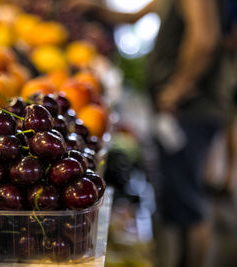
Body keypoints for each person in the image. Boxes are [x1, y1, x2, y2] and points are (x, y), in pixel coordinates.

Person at [70, 0, 226, 267]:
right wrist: (95, 9)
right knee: (180, 200)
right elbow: (135, 16)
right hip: (180, 111)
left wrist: (178, 88)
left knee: (189, 204)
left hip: (189, 111)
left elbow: (205, 39)